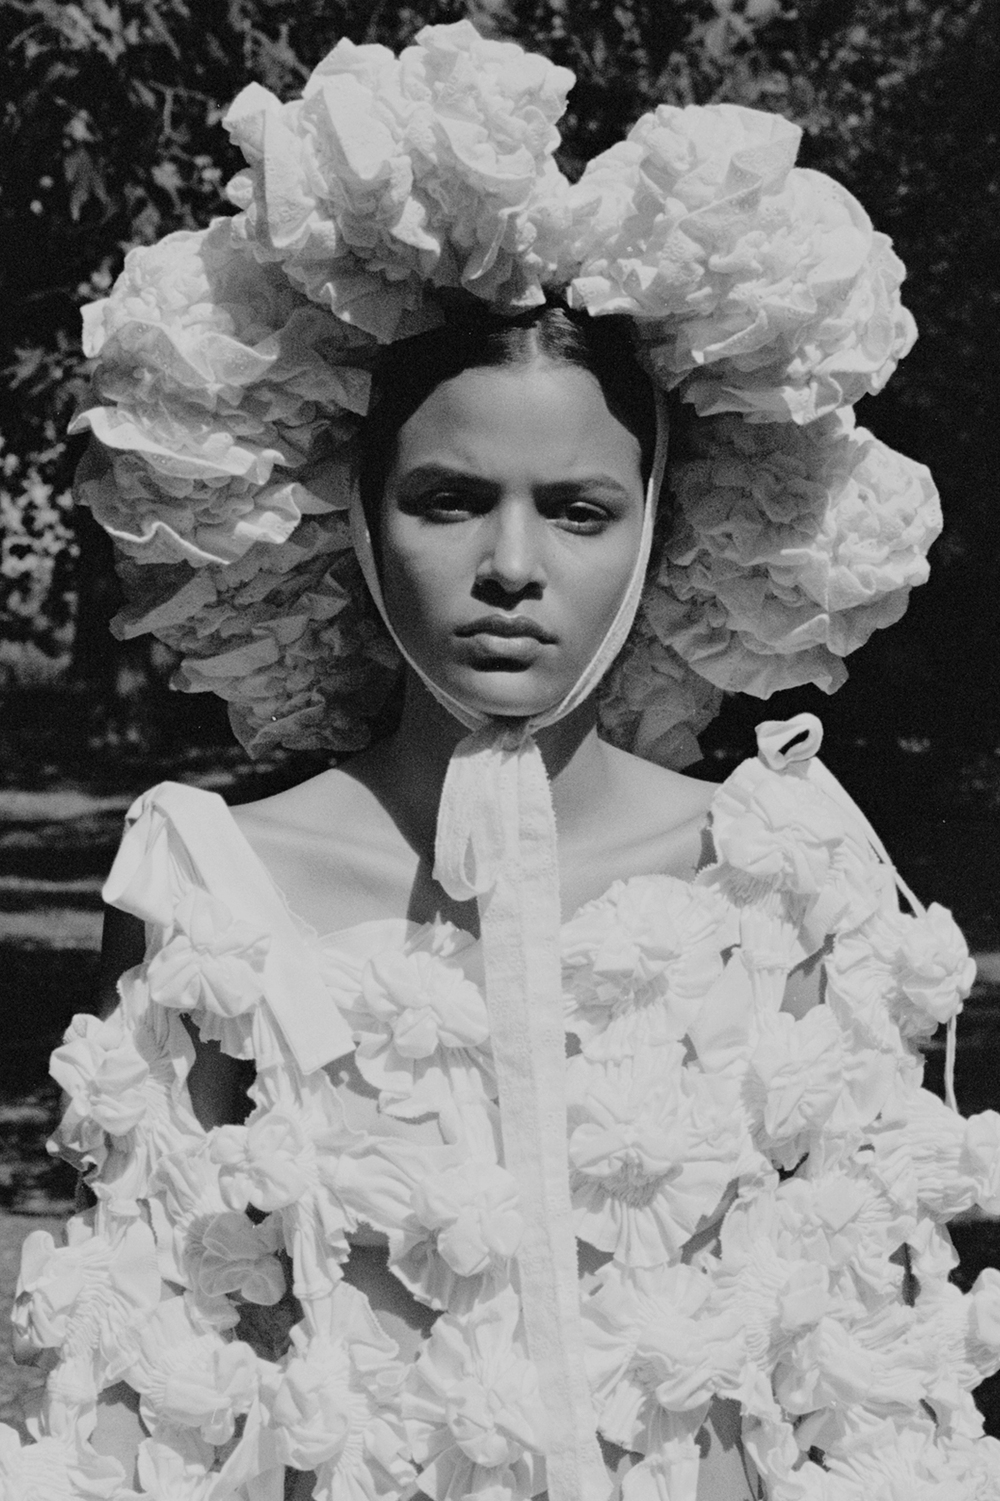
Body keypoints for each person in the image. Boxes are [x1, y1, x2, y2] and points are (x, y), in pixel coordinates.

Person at [5, 20, 1000, 1501]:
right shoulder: (211, 886)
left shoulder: (783, 876)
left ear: (659, 530)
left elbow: (867, 1380)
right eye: (450, 499)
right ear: (356, 521)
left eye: (580, 510)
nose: (513, 568)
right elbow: (141, 1377)